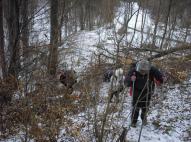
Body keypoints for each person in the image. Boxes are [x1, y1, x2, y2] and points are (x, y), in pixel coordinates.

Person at [124, 59, 163, 127]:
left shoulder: (152, 69)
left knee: (145, 107)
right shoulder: (133, 70)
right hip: (136, 91)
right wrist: (131, 79)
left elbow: (159, 76)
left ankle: (144, 118)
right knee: (135, 107)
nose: (143, 72)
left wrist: (162, 78)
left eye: (145, 71)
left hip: (148, 91)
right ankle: (133, 121)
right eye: (142, 70)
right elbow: (126, 82)